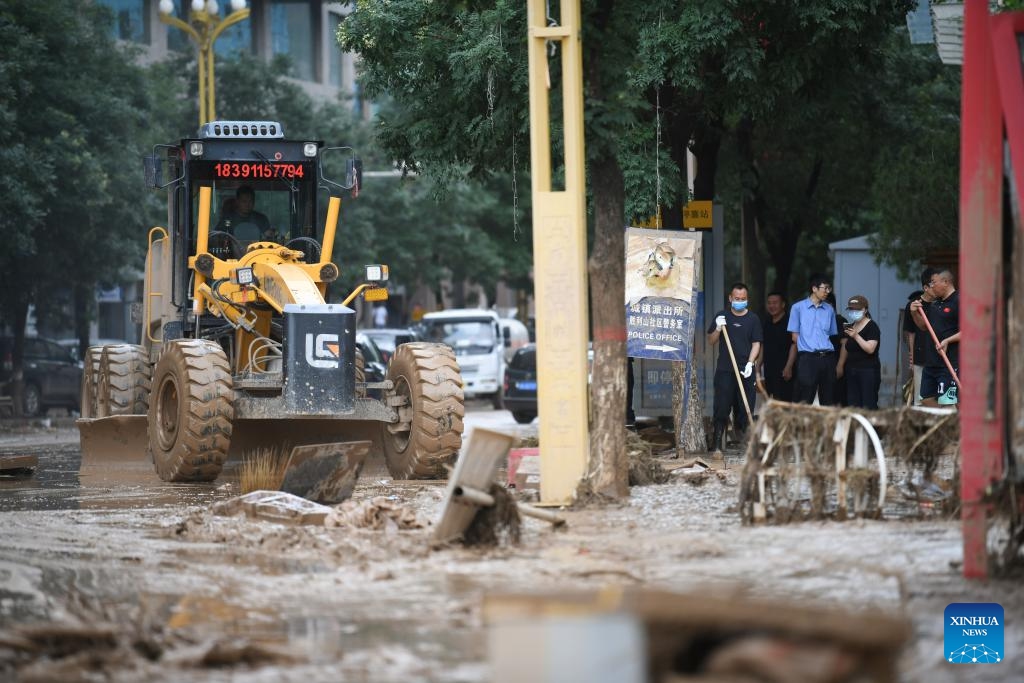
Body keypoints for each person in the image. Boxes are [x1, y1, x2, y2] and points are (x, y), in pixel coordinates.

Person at [706, 283, 763, 452]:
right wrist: (717, 328)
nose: (739, 301)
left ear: (747, 300)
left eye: (743, 299)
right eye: (736, 299)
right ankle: (717, 445)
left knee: (746, 409)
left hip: (745, 371)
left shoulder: (753, 319)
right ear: (730, 298)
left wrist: (750, 363)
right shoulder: (722, 316)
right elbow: (711, 341)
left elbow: (756, 344)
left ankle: (747, 446)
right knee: (722, 408)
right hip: (725, 370)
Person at [910, 269, 960, 406]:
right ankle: (945, 421)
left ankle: (951, 423)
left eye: (934, 282)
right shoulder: (935, 304)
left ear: (945, 282)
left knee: (947, 401)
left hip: (949, 361)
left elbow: (968, 331)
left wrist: (948, 340)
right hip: (931, 361)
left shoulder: (959, 300)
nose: (931, 286)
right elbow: (924, 326)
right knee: (925, 398)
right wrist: (914, 313)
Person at [787, 274, 838, 405]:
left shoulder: (829, 309)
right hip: (807, 358)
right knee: (804, 398)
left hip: (827, 358)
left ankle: (828, 426)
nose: (827, 292)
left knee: (828, 399)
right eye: (825, 288)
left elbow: (832, 334)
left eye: (829, 289)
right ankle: (800, 426)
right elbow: (794, 336)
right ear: (814, 288)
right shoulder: (797, 308)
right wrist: (807, 347)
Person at [836, 295, 881, 409]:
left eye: (857, 309)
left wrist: (856, 336)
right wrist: (840, 364)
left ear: (865, 310)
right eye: (851, 309)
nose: (854, 312)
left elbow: (870, 349)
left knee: (868, 405)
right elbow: (846, 347)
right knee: (853, 405)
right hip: (851, 371)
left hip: (868, 371)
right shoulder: (851, 326)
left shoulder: (872, 326)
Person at [903, 273, 936, 405]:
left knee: (941, 397)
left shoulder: (941, 303)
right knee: (920, 398)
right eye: (934, 284)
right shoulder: (914, 305)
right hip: (920, 355)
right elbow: (911, 332)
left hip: (939, 356)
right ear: (926, 287)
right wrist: (911, 355)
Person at [759, 291, 795, 401]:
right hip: (769, 370)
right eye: (769, 303)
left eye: (775, 303)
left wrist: (789, 367)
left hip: (785, 371)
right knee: (771, 401)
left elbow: (795, 345)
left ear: (783, 304)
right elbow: (763, 345)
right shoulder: (766, 321)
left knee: (784, 403)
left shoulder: (790, 321)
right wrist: (757, 366)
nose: (771, 306)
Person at [825, 290, 849, 406]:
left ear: (831, 305)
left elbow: (845, 343)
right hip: (823, 366)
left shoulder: (841, 321)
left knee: (838, 398)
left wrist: (840, 364)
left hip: (836, 365)